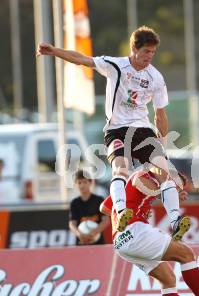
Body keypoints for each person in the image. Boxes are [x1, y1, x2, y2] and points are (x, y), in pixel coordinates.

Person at [36, 26, 190, 239]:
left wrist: (162, 146)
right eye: (146, 51)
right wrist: (54, 51)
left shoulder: (155, 77)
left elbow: (160, 115)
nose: (150, 57)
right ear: (134, 49)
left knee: (165, 171)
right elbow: (82, 59)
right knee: (120, 169)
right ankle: (121, 209)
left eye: (153, 52)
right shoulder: (115, 65)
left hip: (143, 131)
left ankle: (176, 221)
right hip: (117, 129)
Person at [99, 168, 199, 296]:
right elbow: (139, 181)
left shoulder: (123, 190)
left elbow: (105, 208)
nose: (175, 190)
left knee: (168, 279)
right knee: (186, 254)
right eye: (176, 185)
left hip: (120, 242)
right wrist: (164, 192)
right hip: (135, 232)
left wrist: (137, 208)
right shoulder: (146, 174)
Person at [69, 170, 110, 245]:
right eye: (79, 182)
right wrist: (79, 234)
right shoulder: (74, 203)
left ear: (90, 183)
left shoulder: (99, 200)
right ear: (76, 184)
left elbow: (106, 220)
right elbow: (72, 223)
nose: (82, 185)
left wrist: (94, 232)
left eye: (85, 182)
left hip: (98, 242)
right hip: (81, 242)